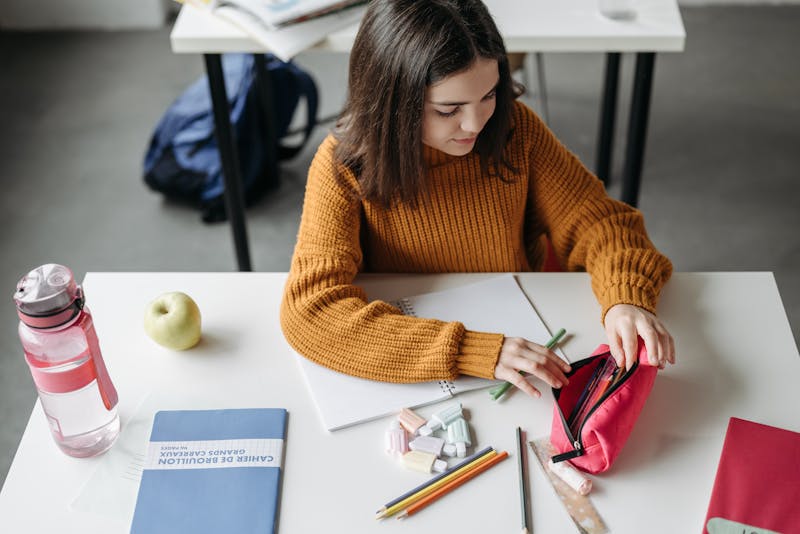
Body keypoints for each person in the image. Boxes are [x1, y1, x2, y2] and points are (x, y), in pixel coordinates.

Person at [280, 0, 675, 399]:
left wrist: (625, 297)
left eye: (488, 95)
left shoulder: (516, 130)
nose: (475, 123)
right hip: (420, 374)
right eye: (448, 110)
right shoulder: (344, 164)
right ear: (393, 103)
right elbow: (311, 310)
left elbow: (601, 224)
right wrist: (470, 351)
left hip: (520, 353)